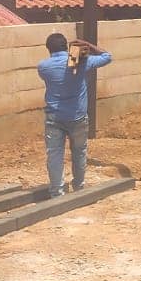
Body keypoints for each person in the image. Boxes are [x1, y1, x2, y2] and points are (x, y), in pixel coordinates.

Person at [36, 32, 111, 197]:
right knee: (79, 152)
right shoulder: (80, 62)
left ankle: (57, 192)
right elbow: (107, 57)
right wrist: (87, 45)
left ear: (48, 49)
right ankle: (78, 187)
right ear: (66, 46)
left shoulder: (43, 67)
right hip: (77, 117)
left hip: (54, 118)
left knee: (55, 155)